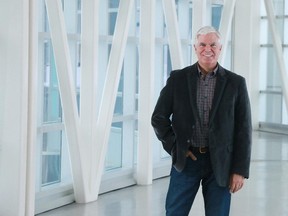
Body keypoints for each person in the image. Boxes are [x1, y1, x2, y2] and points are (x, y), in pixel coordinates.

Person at [151, 26, 252, 216]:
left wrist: (239, 170)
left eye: (213, 44)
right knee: (174, 212)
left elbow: (243, 130)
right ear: (195, 48)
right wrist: (176, 147)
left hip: (220, 165)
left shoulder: (236, 83)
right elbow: (158, 118)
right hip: (187, 160)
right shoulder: (178, 79)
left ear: (220, 48)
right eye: (203, 44)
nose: (208, 49)